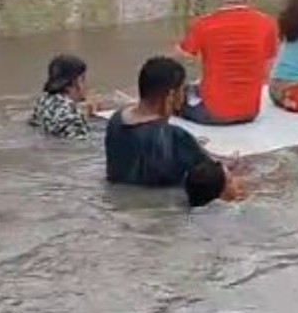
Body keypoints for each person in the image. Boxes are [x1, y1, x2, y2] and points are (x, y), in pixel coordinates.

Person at [104, 57, 244, 206]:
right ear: (171, 96)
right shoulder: (174, 137)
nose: (184, 96)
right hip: (165, 209)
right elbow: (215, 175)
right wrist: (233, 163)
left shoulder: (116, 120)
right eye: (182, 90)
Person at [176, 0, 278, 126]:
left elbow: (181, 56)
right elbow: (268, 65)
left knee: (173, 97)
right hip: (250, 111)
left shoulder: (203, 25)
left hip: (213, 113)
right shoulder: (267, 23)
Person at [29, 54, 96, 139]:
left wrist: (86, 115)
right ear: (77, 82)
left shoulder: (43, 100)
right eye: (83, 79)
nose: (87, 85)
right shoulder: (72, 114)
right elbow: (83, 145)